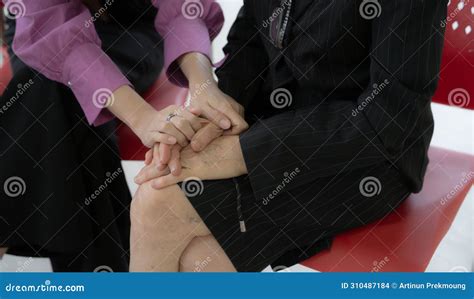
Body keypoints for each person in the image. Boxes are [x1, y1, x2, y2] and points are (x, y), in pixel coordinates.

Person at [132, 0, 448, 272]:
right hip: (271, 122)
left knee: (168, 217)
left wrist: (239, 153)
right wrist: (215, 113)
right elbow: (252, 37)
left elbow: (391, 118)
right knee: (161, 203)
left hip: (369, 154)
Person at [0, 0, 246, 272]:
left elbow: (183, 7)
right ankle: (108, 272)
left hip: (131, 30)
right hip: (44, 32)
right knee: (53, 91)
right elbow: (52, 27)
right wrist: (143, 118)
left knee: (58, 103)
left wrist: (203, 83)